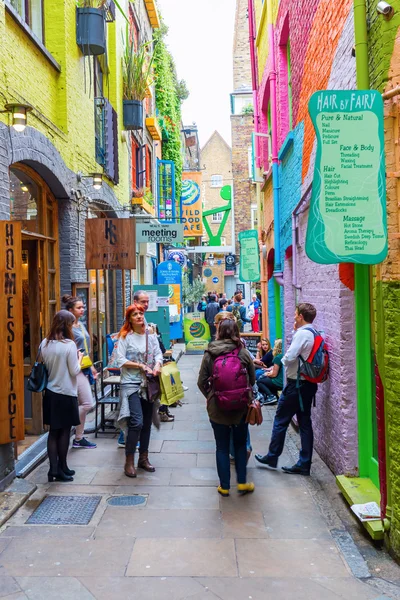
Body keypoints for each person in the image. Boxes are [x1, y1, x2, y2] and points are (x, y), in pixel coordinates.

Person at [255, 303, 318, 475]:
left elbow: (289, 356)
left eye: (296, 314)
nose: (294, 316)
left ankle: (273, 455)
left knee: (281, 419)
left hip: (296, 384)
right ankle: (304, 464)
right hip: (308, 384)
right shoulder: (313, 332)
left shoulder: (302, 334)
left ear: (301, 316)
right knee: (305, 423)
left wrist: (280, 362)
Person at [197, 318, 256, 497]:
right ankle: (242, 483)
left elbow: (201, 382)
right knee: (239, 445)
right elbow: (252, 380)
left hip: (217, 409)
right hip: (240, 408)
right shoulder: (243, 353)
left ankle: (224, 486)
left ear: (219, 332)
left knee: (221, 447)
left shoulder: (210, 353)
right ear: (236, 332)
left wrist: (211, 396)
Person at [116, 303, 163, 478]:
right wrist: (140, 366)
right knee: (136, 421)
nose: (139, 316)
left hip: (148, 383)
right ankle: (129, 460)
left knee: (147, 423)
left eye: (141, 313)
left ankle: (143, 458)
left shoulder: (150, 336)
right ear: (129, 318)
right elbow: (119, 360)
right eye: (135, 314)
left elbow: (158, 353)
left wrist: (157, 365)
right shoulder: (125, 336)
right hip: (130, 383)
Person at [40, 310, 83, 482]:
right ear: (67, 325)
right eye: (72, 323)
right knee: (64, 432)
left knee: (53, 433)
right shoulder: (69, 345)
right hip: (66, 393)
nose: (74, 326)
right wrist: (80, 358)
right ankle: (61, 468)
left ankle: (54, 469)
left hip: (50, 392)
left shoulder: (45, 343)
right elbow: (74, 371)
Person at [63, 295, 97, 449]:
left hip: (84, 367)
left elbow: (85, 348)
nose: (82, 309)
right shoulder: (67, 328)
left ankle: (78, 437)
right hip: (74, 370)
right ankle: (66, 424)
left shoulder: (80, 324)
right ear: (70, 310)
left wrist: (91, 366)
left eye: (83, 307)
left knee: (82, 403)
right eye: (79, 307)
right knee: (88, 403)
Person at [257, 339, 283, 405]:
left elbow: (274, 374)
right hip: (283, 381)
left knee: (260, 381)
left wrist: (267, 374)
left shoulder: (278, 357)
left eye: (275, 345)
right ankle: (274, 396)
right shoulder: (283, 355)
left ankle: (271, 396)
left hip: (279, 382)